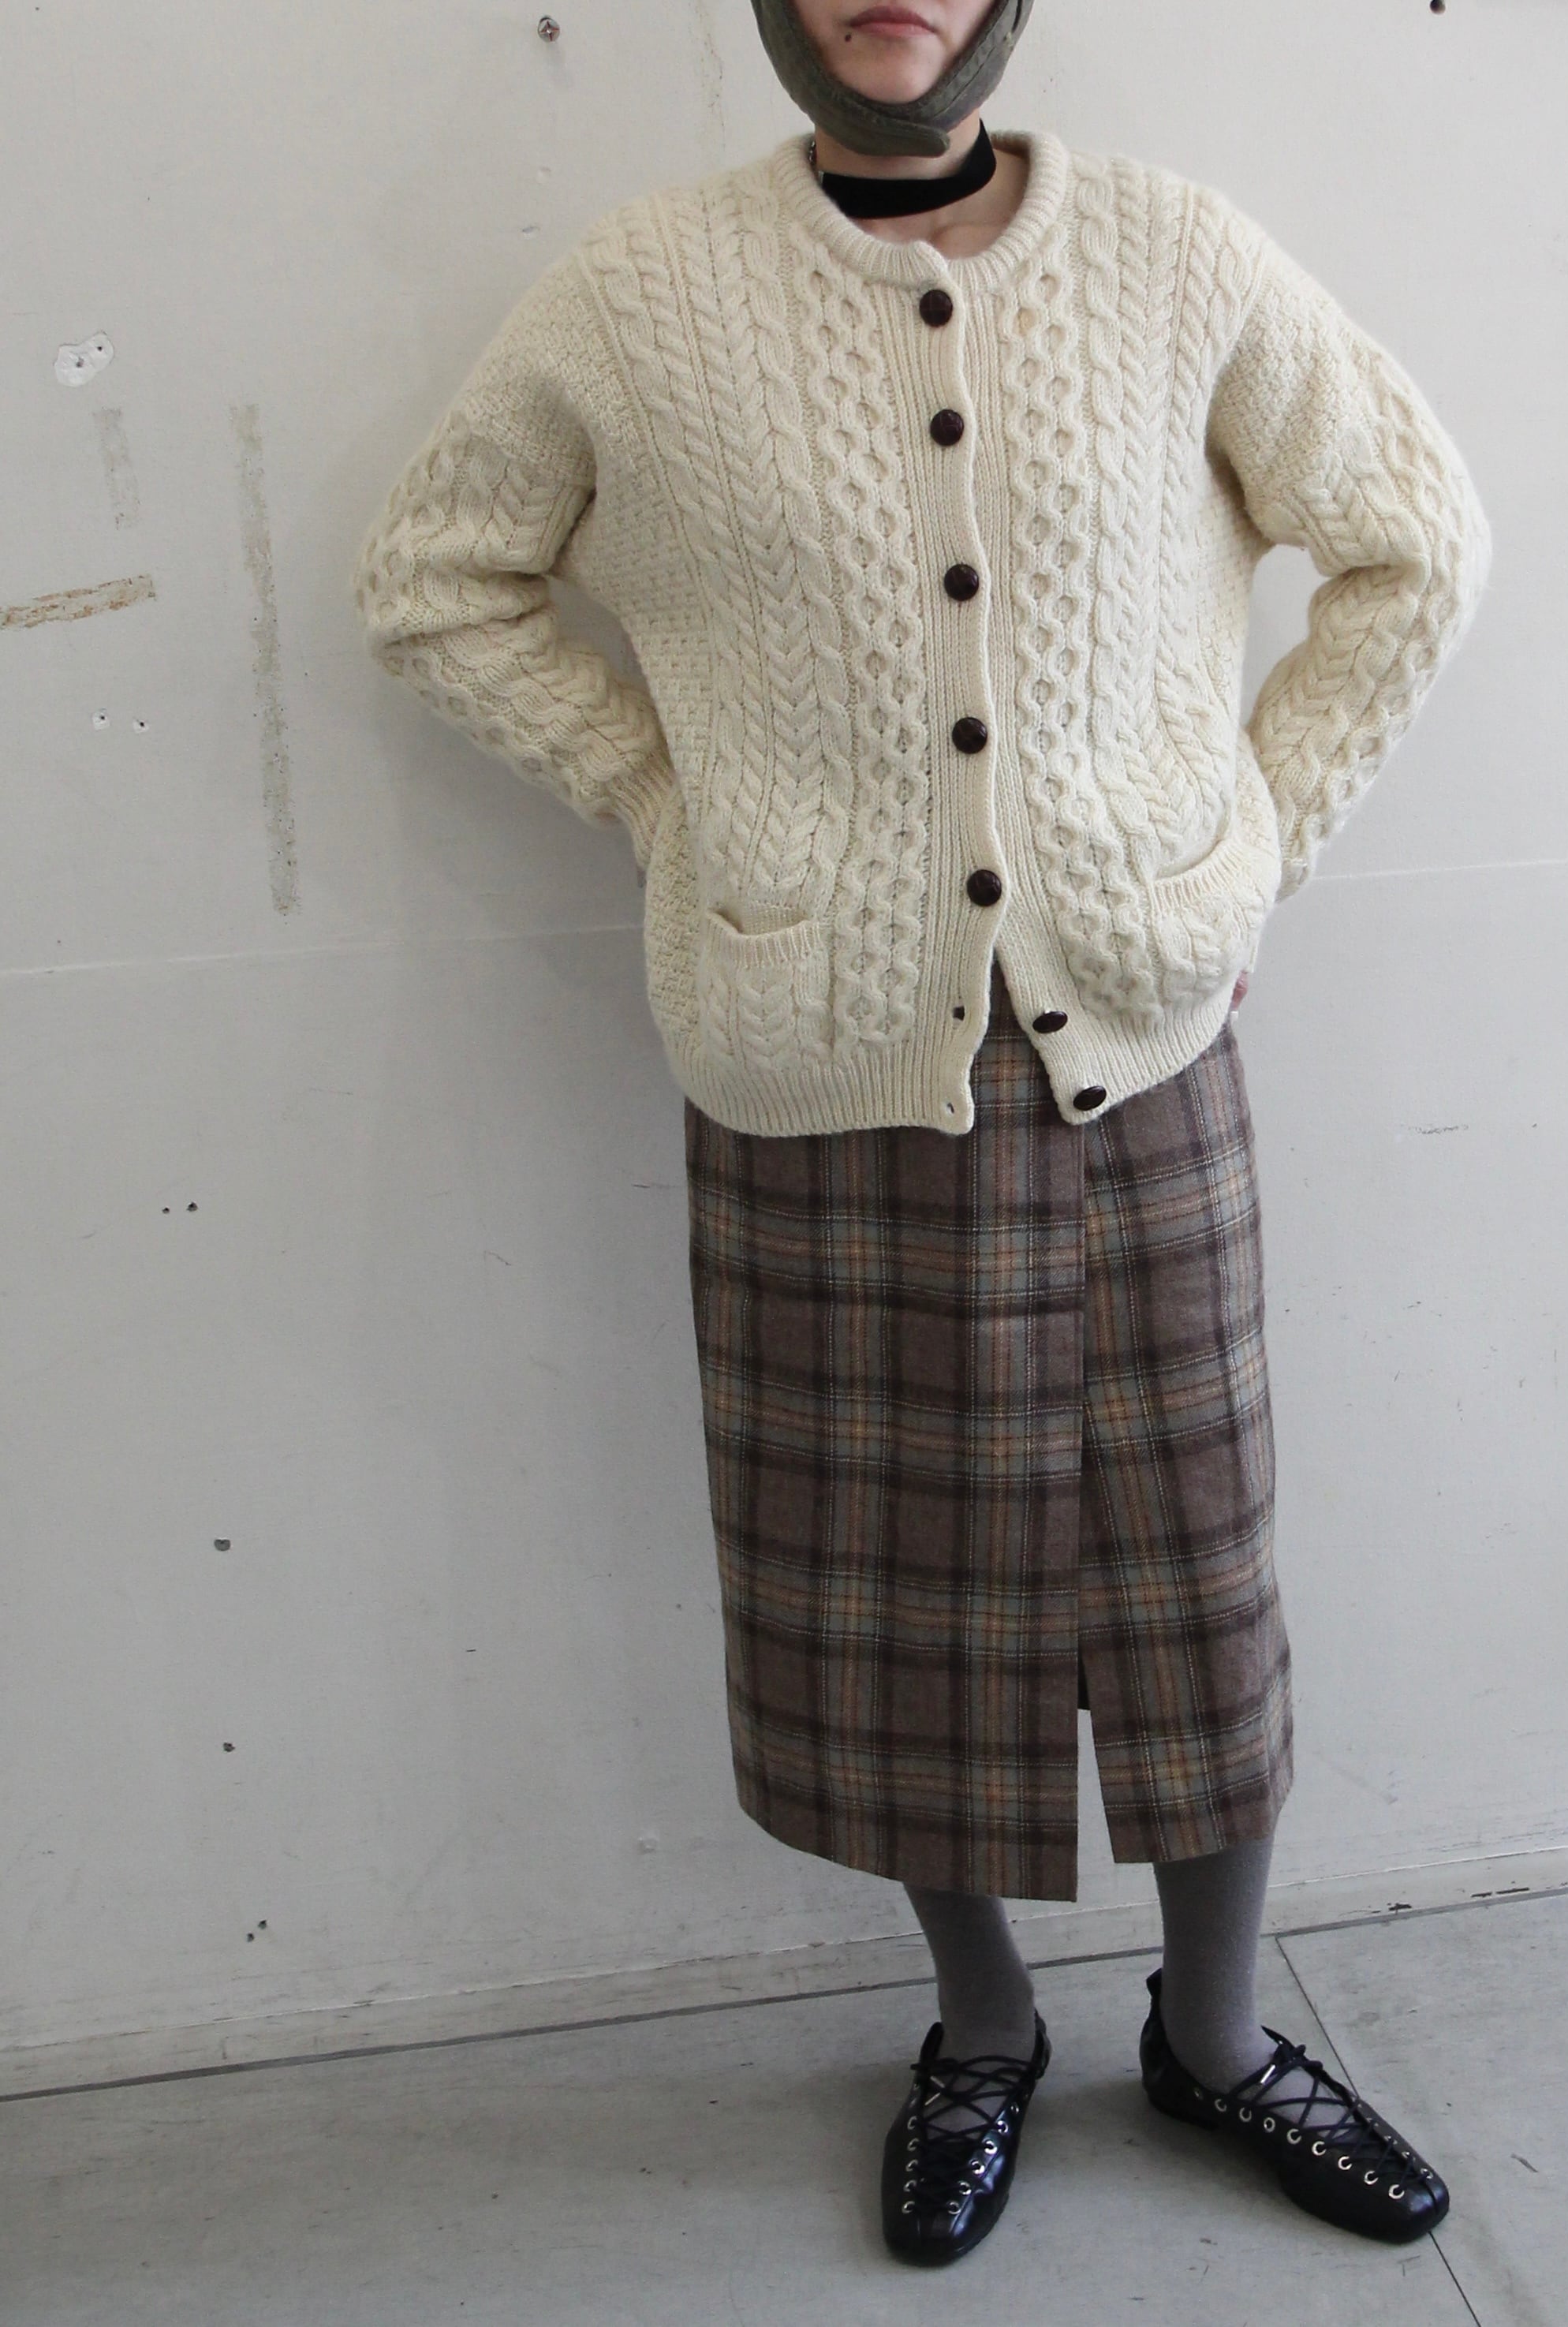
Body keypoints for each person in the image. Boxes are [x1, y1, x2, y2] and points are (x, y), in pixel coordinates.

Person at [353, 0, 1491, 2270]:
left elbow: (1414, 544)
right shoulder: (637, 297)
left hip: (1137, 1045)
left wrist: (1251, 839)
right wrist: (668, 798)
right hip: (819, 1062)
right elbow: (434, 580)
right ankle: (981, 2031)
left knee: (1197, 1583)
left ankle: (1218, 2034)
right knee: (883, 1597)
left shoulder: (1176, 257)